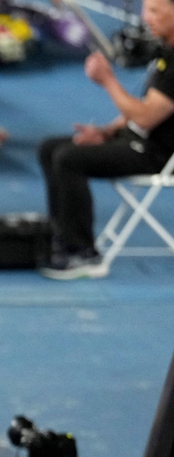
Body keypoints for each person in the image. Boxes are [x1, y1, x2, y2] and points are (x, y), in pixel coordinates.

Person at [38, 0, 174, 280]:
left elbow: (147, 117)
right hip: (136, 139)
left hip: (157, 154)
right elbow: (147, 105)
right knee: (50, 148)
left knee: (69, 158)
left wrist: (108, 81)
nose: (147, 18)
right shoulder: (164, 52)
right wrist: (105, 132)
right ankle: (61, 237)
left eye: (156, 12)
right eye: (145, 10)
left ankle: (83, 253)